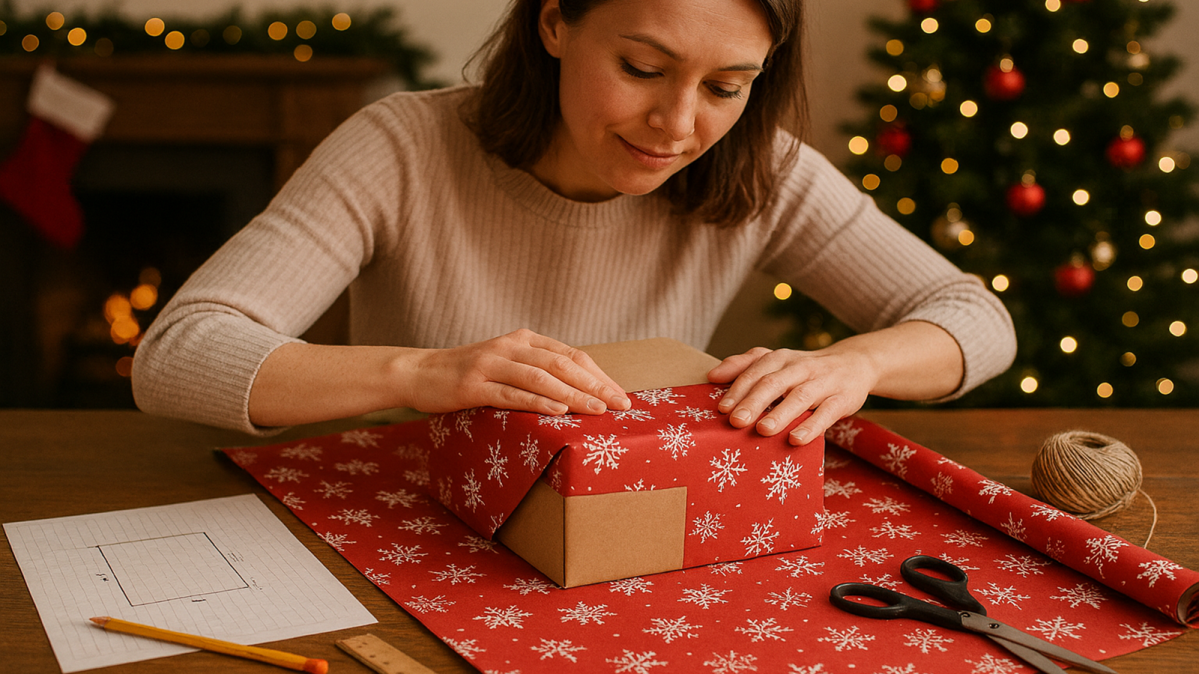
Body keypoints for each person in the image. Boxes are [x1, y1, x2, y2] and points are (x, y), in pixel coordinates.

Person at [132, 0, 1016, 444]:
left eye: (723, 88)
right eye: (640, 66)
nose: (677, 126)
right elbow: (176, 357)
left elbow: (976, 318)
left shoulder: (761, 167)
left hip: (634, 546)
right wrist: (424, 373)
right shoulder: (403, 145)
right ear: (555, 22)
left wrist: (853, 364)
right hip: (411, 527)